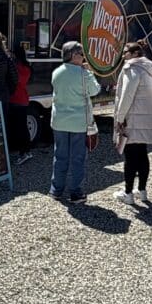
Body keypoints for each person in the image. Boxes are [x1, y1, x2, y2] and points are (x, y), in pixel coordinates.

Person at [50, 41, 100, 204]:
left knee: (60, 156)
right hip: (78, 122)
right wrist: (89, 72)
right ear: (73, 55)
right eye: (81, 54)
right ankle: (76, 193)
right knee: (78, 158)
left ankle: (56, 190)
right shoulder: (83, 74)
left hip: (59, 121)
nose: (83, 57)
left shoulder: (57, 72)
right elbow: (95, 90)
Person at [112, 41, 152, 205]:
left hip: (132, 118)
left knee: (130, 157)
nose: (123, 55)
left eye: (126, 52)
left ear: (135, 54)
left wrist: (119, 118)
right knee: (142, 155)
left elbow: (127, 95)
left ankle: (128, 193)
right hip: (146, 118)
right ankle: (142, 190)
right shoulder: (149, 68)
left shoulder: (132, 68)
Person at [7, 43, 33, 165]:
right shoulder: (26, 67)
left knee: (20, 129)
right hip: (22, 99)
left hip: (16, 100)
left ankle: (24, 152)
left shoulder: (17, 67)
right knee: (22, 128)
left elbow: (16, 81)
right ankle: (26, 151)